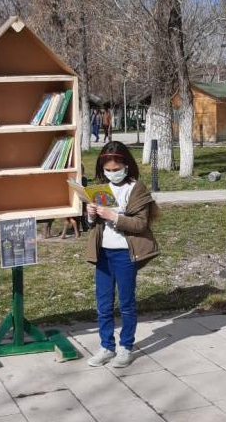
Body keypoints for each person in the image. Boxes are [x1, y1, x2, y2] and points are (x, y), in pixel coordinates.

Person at [84, 141, 160, 367]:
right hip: (103, 253)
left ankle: (126, 347)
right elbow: (93, 225)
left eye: (116, 170)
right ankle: (107, 346)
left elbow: (140, 224)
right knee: (103, 304)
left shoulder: (136, 188)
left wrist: (113, 216)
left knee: (126, 303)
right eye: (107, 170)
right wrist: (90, 214)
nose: (111, 174)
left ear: (126, 166)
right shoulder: (100, 188)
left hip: (126, 254)